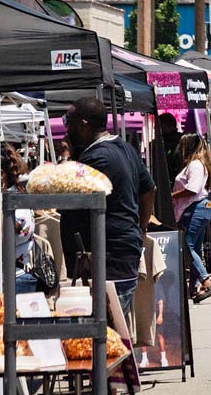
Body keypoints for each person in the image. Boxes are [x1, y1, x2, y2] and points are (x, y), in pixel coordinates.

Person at [62, 96, 156, 328]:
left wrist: (68, 157)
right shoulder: (124, 148)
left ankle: (115, 365)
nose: (66, 127)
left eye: (69, 121)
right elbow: (149, 190)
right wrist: (140, 229)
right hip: (120, 253)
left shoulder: (96, 158)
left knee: (105, 334)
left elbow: (70, 201)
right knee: (110, 331)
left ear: (83, 124)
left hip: (109, 258)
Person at [172, 133, 211, 304]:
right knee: (194, 247)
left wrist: (173, 195)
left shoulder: (195, 165)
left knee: (187, 246)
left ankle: (206, 282)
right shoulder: (200, 164)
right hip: (201, 207)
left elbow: (193, 189)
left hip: (194, 207)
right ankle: (192, 287)